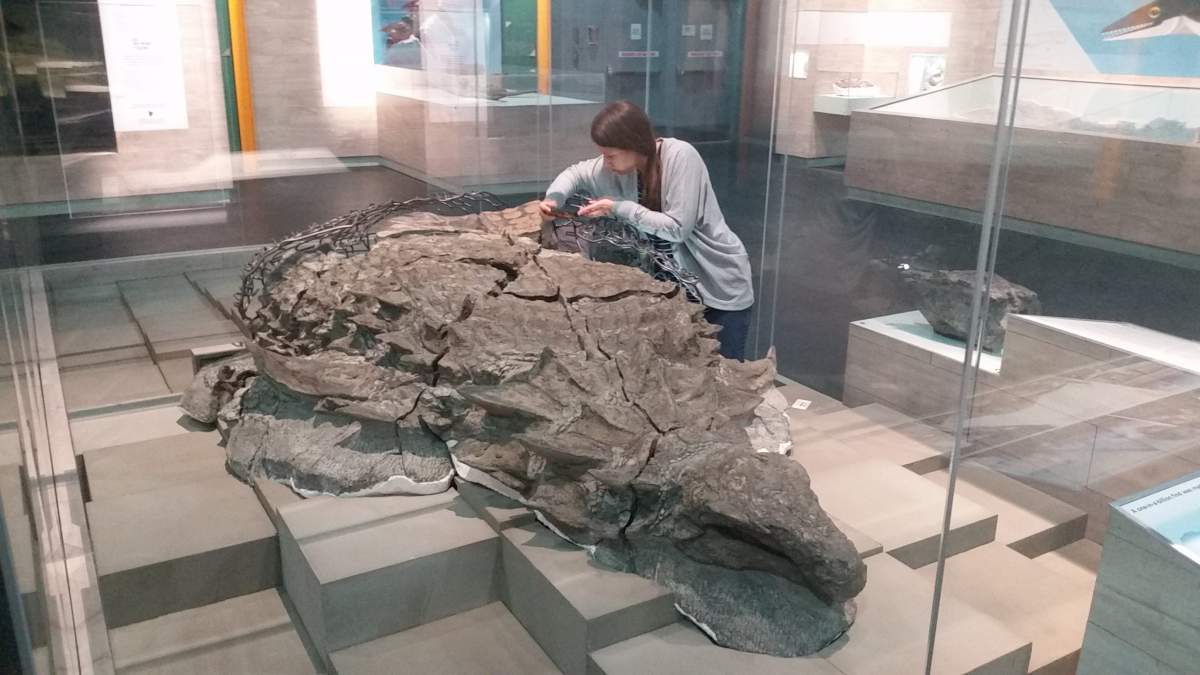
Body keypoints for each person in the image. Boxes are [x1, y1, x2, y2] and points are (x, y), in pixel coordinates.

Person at [540, 100, 755, 360]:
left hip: (717, 284)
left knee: (726, 371)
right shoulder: (616, 168)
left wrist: (619, 208)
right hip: (674, 292)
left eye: (611, 155)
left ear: (634, 144)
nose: (605, 162)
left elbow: (677, 229)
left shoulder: (680, 156)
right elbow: (575, 173)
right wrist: (554, 199)